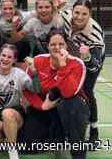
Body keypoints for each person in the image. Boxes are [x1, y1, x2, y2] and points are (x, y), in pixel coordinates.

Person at [20, 29, 90, 159]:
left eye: (61, 44)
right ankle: (54, 138)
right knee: (28, 147)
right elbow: (27, 89)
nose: (57, 48)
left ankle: (77, 147)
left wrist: (63, 66)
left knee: (70, 104)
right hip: (45, 105)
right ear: (47, 46)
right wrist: (42, 106)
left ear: (66, 45)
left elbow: (69, 93)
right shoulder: (38, 61)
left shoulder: (76, 63)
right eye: (53, 44)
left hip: (70, 106)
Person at [0, 43, 41, 159]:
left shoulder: (19, 74)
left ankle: (12, 150)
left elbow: (36, 90)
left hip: (14, 113)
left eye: (9, 57)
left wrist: (34, 71)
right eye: (3, 55)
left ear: (15, 60)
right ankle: (8, 137)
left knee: (7, 113)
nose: (5, 59)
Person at [60, 0, 105, 145]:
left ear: (89, 14)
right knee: (66, 87)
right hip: (73, 53)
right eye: (77, 12)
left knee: (86, 89)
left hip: (92, 57)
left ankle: (93, 130)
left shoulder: (94, 33)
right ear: (72, 11)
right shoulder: (65, 16)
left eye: (84, 14)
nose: (79, 17)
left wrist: (87, 57)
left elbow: (95, 66)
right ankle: (65, 127)